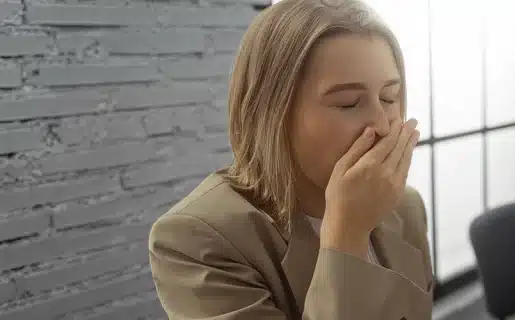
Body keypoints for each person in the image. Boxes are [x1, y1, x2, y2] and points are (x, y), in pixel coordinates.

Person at [147, 0, 433, 319]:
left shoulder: (405, 207)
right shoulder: (197, 240)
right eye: (348, 103)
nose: (382, 126)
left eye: (389, 98)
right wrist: (347, 235)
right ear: (272, 113)